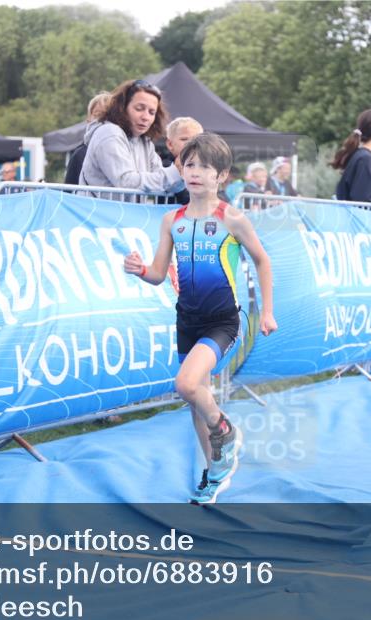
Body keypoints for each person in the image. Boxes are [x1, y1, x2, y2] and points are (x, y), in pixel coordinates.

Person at [123, 133, 277, 504]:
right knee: (196, 398)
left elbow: (262, 260)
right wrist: (140, 269)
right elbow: (160, 273)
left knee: (187, 384)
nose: (195, 173)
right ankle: (214, 470)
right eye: (189, 165)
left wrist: (267, 311)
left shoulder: (232, 218)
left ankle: (226, 431)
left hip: (223, 321)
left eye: (204, 167)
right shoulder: (170, 220)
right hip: (187, 320)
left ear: (221, 176)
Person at [79, 79, 185, 194]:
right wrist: (174, 173)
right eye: (139, 108)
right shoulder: (109, 133)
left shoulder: (145, 142)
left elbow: (163, 184)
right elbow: (126, 182)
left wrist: (183, 175)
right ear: (122, 107)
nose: (146, 117)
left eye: (152, 112)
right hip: (99, 211)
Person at [65, 91, 111, 186]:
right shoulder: (80, 154)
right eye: (98, 115)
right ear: (88, 119)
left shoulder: (126, 150)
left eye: (108, 116)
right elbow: (68, 191)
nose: (102, 120)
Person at [163, 117, 204, 205]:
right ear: (170, 144)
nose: (191, 144)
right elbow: (185, 197)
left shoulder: (203, 167)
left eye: (196, 140)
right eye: (185, 139)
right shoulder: (167, 167)